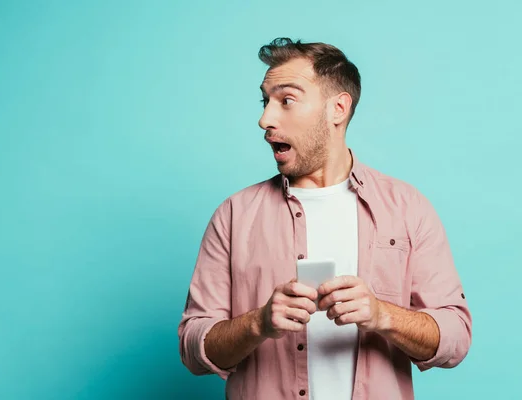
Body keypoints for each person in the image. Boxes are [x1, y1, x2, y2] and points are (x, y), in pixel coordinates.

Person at [178, 37, 472, 400]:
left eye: (286, 100)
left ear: (338, 109)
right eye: (265, 101)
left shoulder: (407, 208)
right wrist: (258, 322)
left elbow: (456, 337)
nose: (264, 119)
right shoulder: (234, 216)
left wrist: (383, 316)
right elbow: (193, 347)